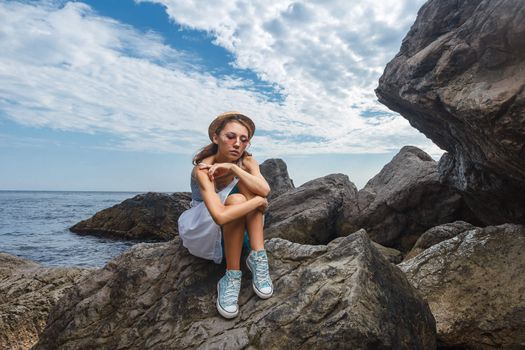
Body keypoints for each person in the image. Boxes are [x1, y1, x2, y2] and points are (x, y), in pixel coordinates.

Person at [177, 111, 273, 319]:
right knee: (242, 198)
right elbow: (219, 216)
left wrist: (233, 168)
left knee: (249, 188)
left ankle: (258, 257)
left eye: (243, 139)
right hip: (204, 227)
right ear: (215, 137)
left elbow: (264, 190)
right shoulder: (203, 169)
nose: (237, 143)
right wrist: (257, 202)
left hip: (235, 228)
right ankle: (231, 276)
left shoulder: (247, 161)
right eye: (230, 137)